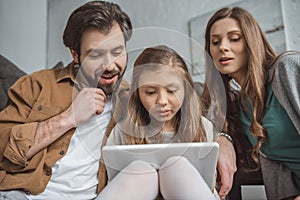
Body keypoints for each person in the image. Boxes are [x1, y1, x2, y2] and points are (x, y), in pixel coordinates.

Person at [0, 1, 132, 199]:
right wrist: (68, 118)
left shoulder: (134, 96)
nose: (110, 65)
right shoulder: (37, 84)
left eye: (117, 52)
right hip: (26, 195)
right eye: (96, 54)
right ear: (75, 54)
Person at [201, 6, 300, 200]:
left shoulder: (287, 68)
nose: (223, 47)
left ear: (252, 42)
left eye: (234, 38)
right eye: (215, 42)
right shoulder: (240, 105)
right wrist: (222, 138)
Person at [97, 45, 220, 200]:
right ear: (137, 93)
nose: (162, 101)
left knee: (176, 166)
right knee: (141, 170)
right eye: (150, 92)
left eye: (171, 91)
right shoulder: (122, 131)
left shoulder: (203, 127)